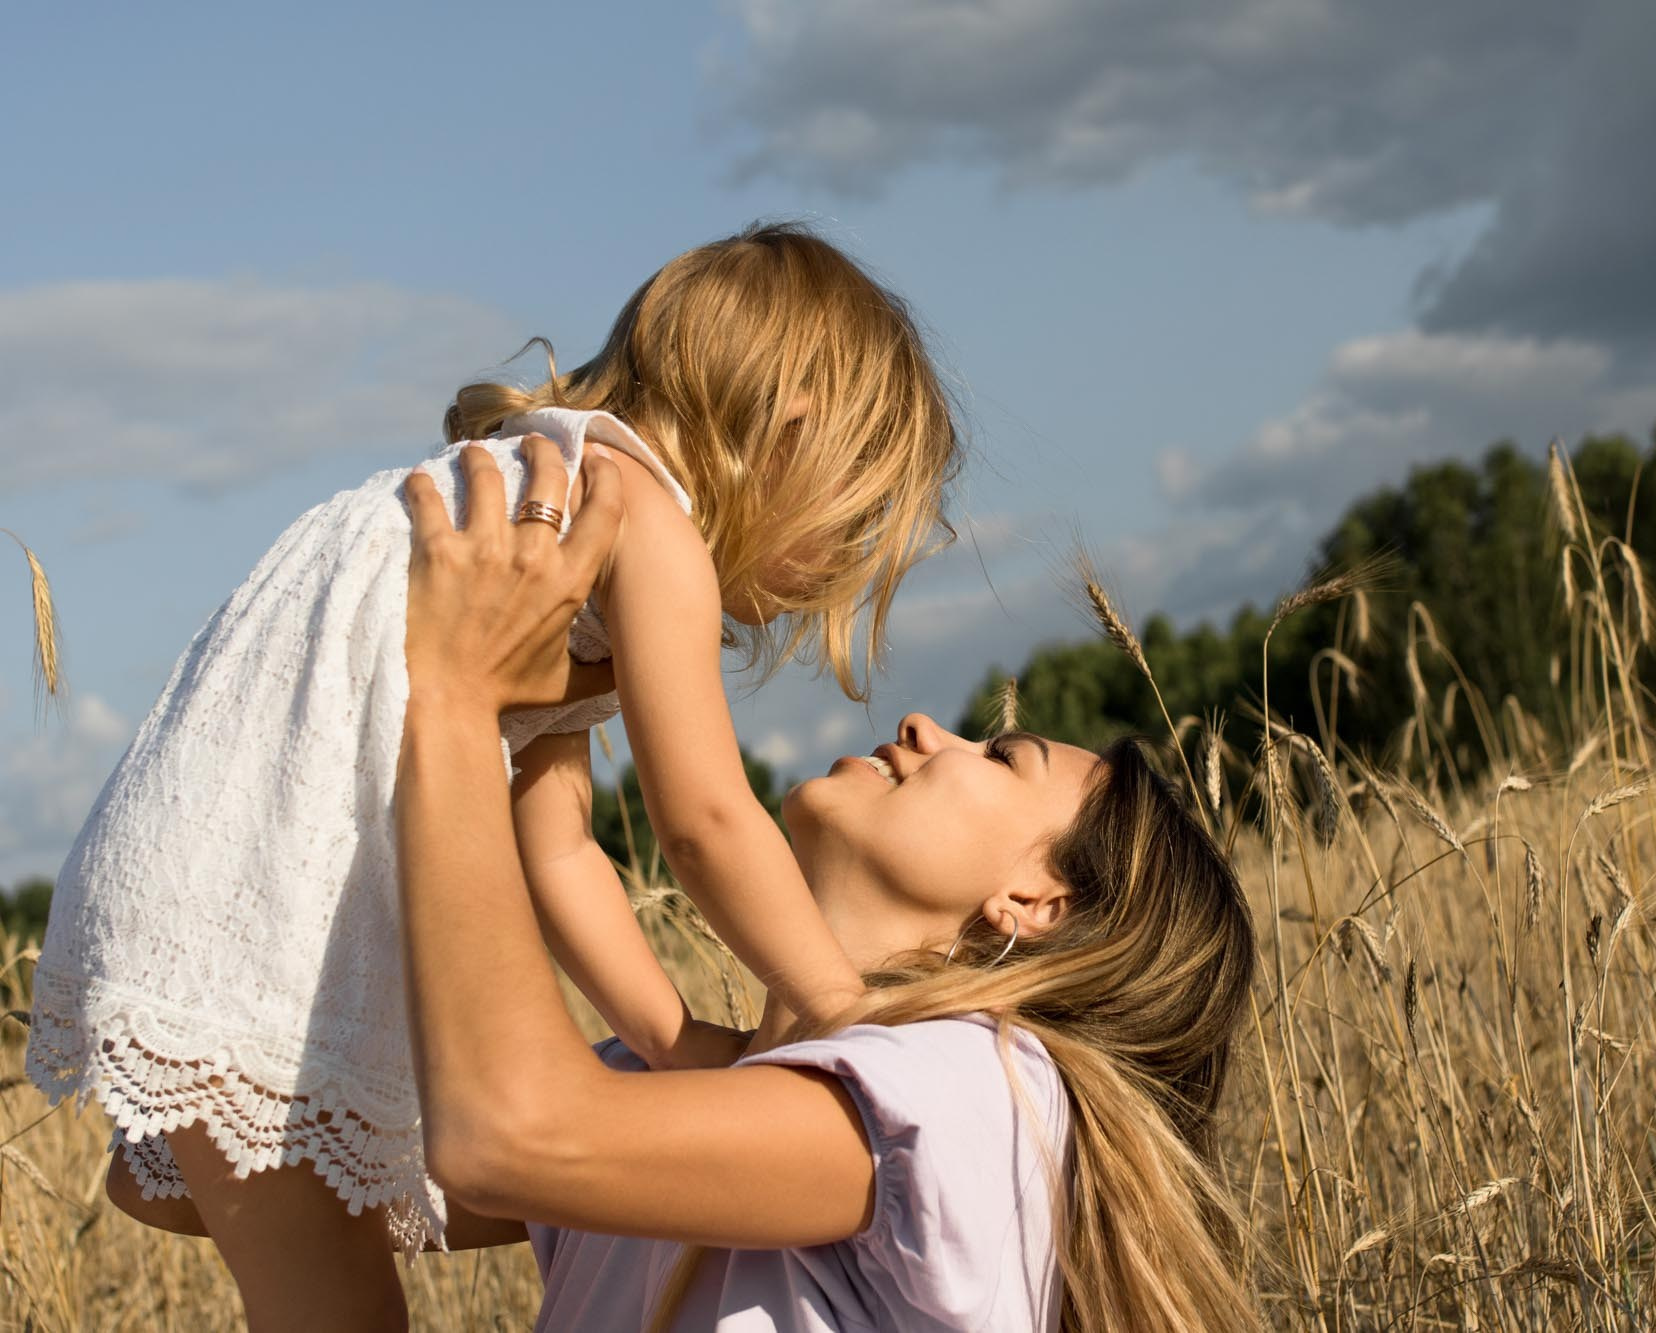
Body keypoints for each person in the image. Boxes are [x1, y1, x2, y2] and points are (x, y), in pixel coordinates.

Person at [116, 417, 1264, 1329]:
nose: (928, 723)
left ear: (1036, 902)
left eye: (1004, 756)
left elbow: (505, 1133)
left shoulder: (986, 1101)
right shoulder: (672, 1093)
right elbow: (165, 1171)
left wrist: (453, 695)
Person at [29, 222, 959, 1329]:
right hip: (275, 918)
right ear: (790, 431)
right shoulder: (641, 514)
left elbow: (556, 844)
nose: (834, 574)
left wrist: (668, 1039)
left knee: (310, 1288)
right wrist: (838, 1006)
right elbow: (706, 816)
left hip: (194, 889)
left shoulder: (530, 510)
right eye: (849, 526)